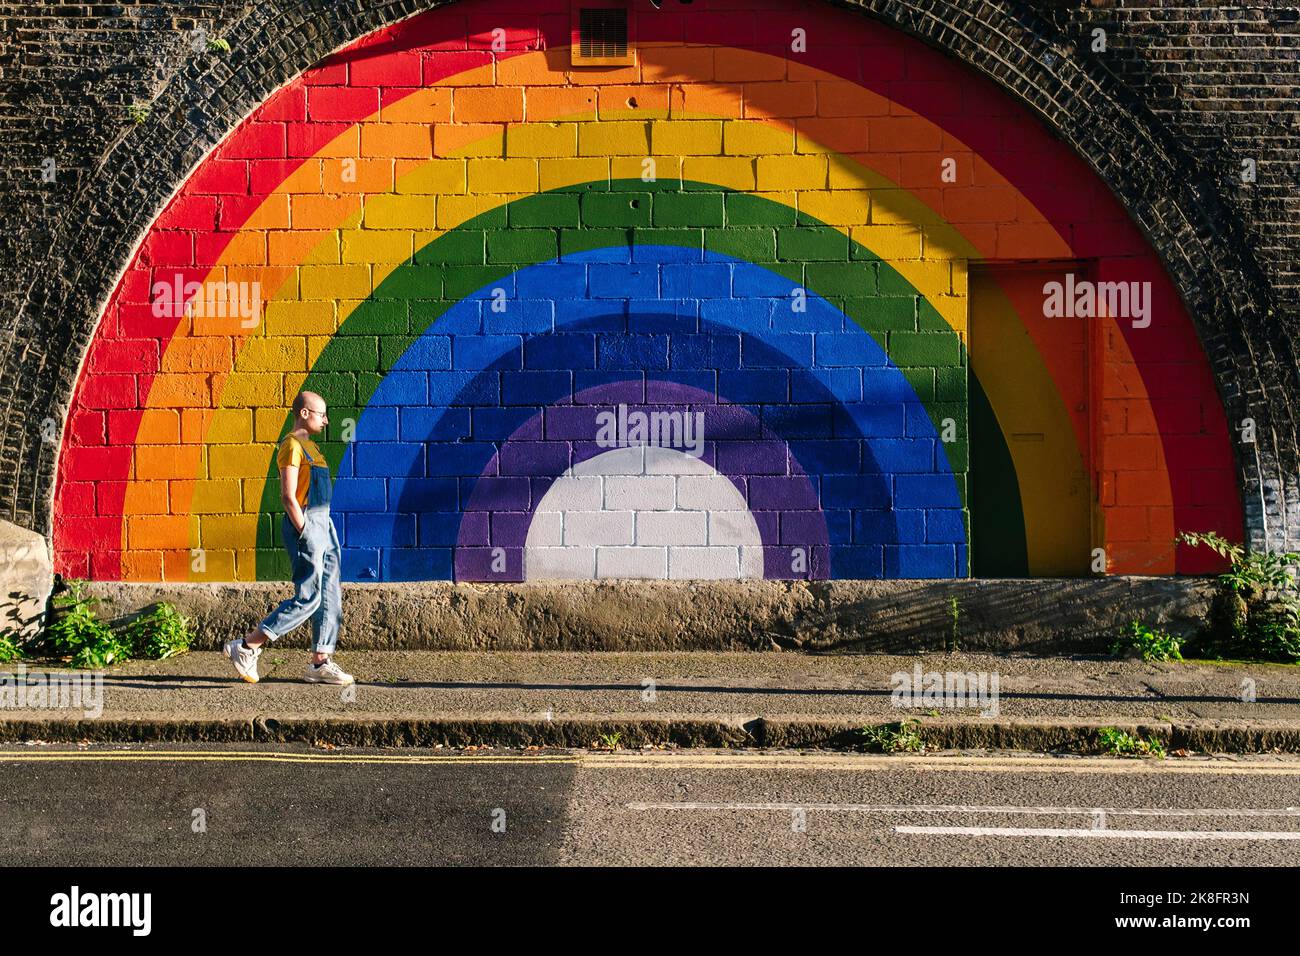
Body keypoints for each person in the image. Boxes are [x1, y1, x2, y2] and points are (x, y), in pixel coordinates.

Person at [224, 390, 354, 685]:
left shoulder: (312, 449)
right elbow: (287, 496)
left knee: (330, 595)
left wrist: (322, 530)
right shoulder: (292, 445)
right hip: (307, 524)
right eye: (322, 414)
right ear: (305, 413)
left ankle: (320, 662)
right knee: (309, 597)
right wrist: (305, 530)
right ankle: (246, 646)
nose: (327, 420)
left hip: (325, 524)